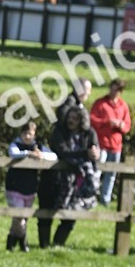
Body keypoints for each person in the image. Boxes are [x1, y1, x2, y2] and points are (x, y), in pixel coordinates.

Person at [37, 106, 100, 249]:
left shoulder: (89, 133)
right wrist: (86, 153)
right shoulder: (59, 131)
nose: (71, 121)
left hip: (79, 182)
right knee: (46, 211)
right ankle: (44, 246)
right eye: (70, 117)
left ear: (82, 120)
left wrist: (96, 154)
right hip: (54, 179)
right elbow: (63, 153)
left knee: (71, 216)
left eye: (75, 118)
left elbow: (95, 150)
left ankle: (57, 245)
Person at [4, 120, 53, 252]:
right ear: (21, 133)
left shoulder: (37, 146)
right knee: (19, 216)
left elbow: (54, 156)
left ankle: (11, 241)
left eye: (30, 134)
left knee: (21, 217)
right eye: (25, 133)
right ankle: (23, 241)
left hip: (30, 188)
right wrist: (28, 154)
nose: (27, 137)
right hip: (15, 186)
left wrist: (41, 155)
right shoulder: (17, 144)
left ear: (34, 135)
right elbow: (13, 153)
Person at [90, 79, 131, 206]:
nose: (113, 92)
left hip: (116, 145)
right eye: (112, 89)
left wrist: (121, 125)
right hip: (102, 143)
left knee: (112, 173)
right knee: (97, 171)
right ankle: (91, 197)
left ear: (120, 92)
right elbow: (92, 120)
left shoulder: (123, 106)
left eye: (116, 90)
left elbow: (127, 125)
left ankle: (105, 199)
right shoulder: (100, 103)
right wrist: (107, 122)